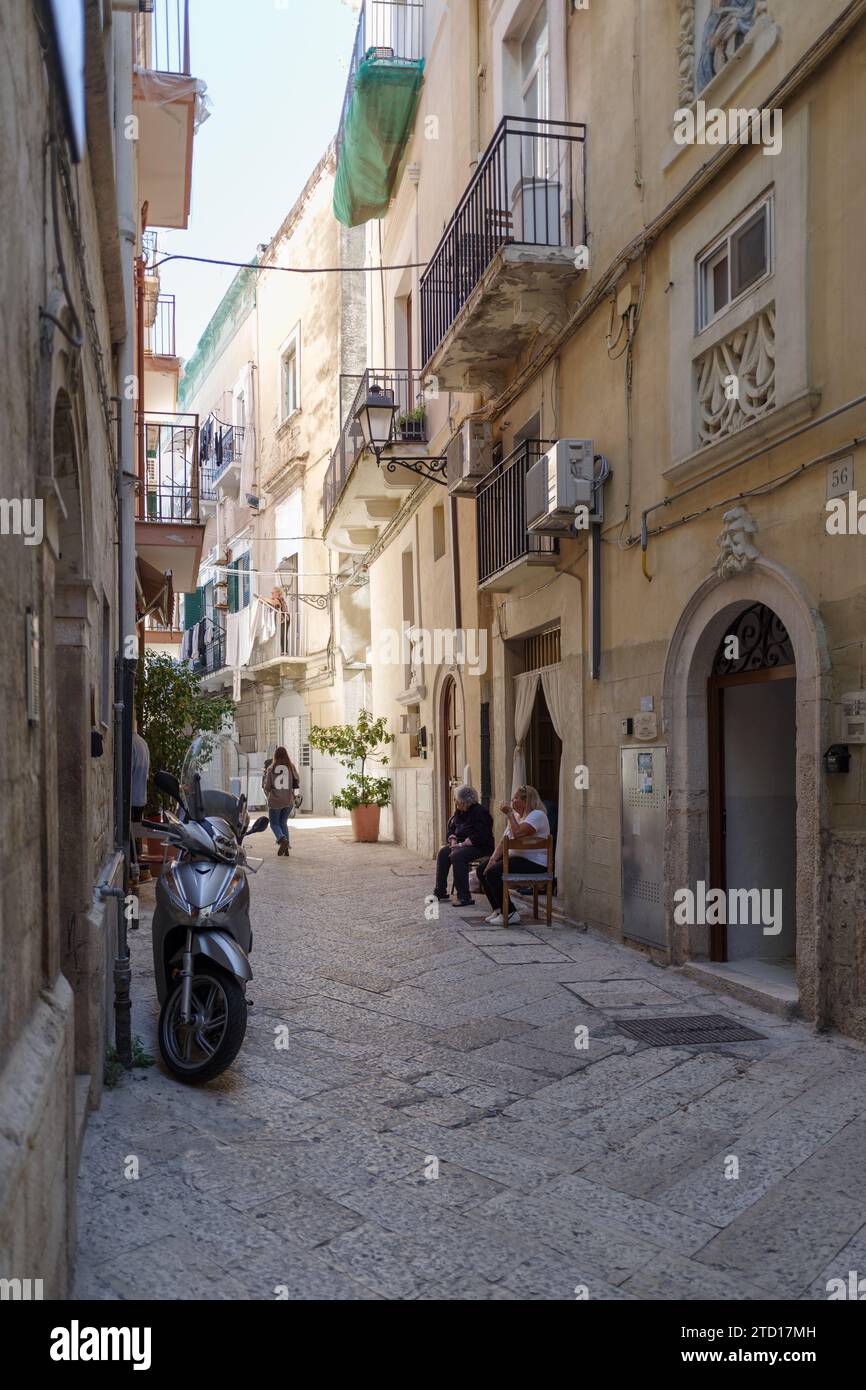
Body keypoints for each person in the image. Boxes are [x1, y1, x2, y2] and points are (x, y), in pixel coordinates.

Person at [478, 784, 550, 926]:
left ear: (526, 801)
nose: (512, 800)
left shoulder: (537, 815)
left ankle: (510, 913)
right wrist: (493, 859)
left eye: (516, 798)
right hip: (517, 859)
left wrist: (510, 814)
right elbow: (503, 841)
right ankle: (499, 909)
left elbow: (517, 834)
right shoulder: (517, 816)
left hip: (535, 863)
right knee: (482, 869)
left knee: (494, 873)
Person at [433, 786, 494, 907]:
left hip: (480, 846)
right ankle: (440, 891)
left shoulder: (480, 812)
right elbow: (452, 828)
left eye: (457, 800)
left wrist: (461, 845)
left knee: (458, 856)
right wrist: (453, 840)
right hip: (461, 844)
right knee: (443, 852)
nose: (455, 802)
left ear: (465, 801)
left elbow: (482, 835)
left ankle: (464, 896)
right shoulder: (460, 811)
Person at [263, 745, 300, 857]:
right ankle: (286, 849)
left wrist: (266, 786)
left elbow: (267, 787)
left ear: (275, 755)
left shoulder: (271, 768)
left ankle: (281, 839)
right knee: (283, 823)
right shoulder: (291, 767)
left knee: (274, 823)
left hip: (275, 801)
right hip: (288, 800)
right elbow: (297, 780)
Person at [130, 716, 150, 887]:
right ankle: (141, 872)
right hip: (140, 795)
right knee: (135, 835)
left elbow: (127, 772)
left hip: (131, 797)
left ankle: (135, 874)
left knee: (130, 837)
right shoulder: (142, 742)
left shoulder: (130, 744)